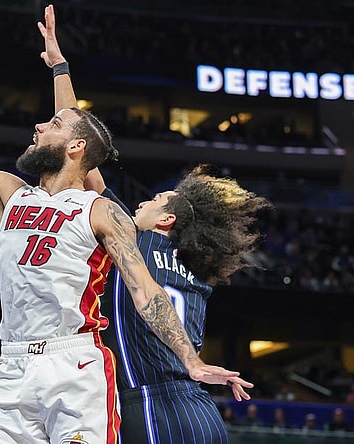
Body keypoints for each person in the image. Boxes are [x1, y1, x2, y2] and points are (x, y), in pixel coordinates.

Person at [0, 6, 248, 443]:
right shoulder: (6, 193)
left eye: (53, 124)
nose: (39, 124)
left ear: (77, 147)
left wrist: (189, 360)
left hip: (74, 364)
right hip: (12, 366)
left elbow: (145, 290)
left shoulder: (101, 210)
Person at [37, 5, 267, 443]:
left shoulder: (137, 241)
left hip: (152, 404)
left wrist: (59, 70)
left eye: (156, 198)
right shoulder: (194, 269)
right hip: (199, 410)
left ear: (166, 219)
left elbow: (79, 153)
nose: (144, 199)